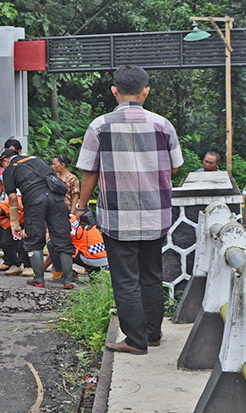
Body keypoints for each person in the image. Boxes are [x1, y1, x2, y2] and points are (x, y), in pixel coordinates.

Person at [76, 65, 183, 355]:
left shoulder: (99, 126)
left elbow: (89, 172)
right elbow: (174, 165)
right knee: (151, 274)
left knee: (126, 279)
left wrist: (81, 206)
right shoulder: (163, 125)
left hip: (117, 218)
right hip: (155, 214)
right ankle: (153, 333)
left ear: (114, 91)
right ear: (146, 90)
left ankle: (135, 340)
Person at [2, 148, 75, 289]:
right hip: (56, 199)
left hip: (35, 201)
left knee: (34, 240)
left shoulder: (9, 170)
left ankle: (39, 279)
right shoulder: (37, 159)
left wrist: (15, 224)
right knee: (63, 239)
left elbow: (12, 198)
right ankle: (68, 281)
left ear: (5, 160)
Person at [48, 215, 108, 283]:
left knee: (52, 244)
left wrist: (41, 270)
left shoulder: (65, 225)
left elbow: (55, 249)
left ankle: (66, 274)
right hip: (103, 257)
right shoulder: (79, 218)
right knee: (79, 247)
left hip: (89, 258)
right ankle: (94, 271)